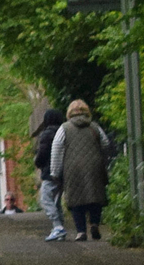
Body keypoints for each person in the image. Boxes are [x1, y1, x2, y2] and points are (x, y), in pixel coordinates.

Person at [48, 99, 116, 240]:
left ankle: (81, 231)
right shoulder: (95, 127)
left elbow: (57, 148)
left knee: (75, 199)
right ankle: (95, 224)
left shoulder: (64, 128)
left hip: (72, 167)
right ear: (87, 111)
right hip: (94, 165)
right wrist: (102, 159)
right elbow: (105, 144)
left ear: (69, 113)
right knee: (95, 196)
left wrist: (55, 171)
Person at [30, 107, 67, 240]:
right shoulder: (64, 132)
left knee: (45, 199)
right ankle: (59, 227)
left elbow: (43, 153)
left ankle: (58, 226)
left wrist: (38, 162)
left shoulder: (47, 134)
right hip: (63, 171)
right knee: (56, 201)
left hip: (49, 171)